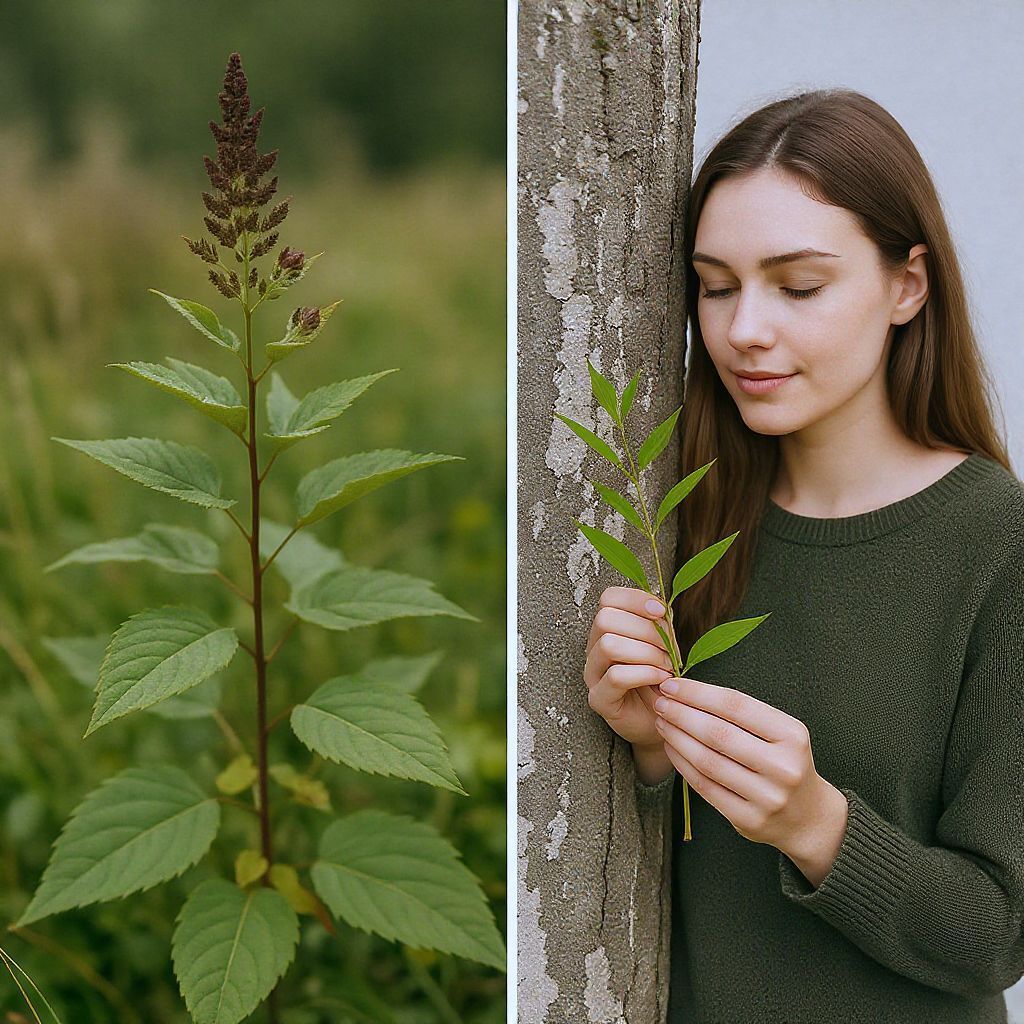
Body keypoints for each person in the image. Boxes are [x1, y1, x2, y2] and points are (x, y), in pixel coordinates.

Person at [583, 88, 1024, 1024]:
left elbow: (998, 932)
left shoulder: (996, 542)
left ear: (908, 285)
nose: (745, 330)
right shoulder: (680, 522)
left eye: (799, 286)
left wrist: (818, 826)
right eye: (715, 285)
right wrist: (652, 754)